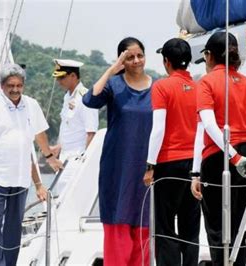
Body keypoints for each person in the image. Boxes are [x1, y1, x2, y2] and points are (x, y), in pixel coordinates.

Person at [0, 63, 62, 266]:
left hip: (20, 180)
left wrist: (45, 165)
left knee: (13, 228)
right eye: (11, 85)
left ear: (24, 85)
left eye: (19, 85)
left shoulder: (31, 105)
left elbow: (38, 136)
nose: (15, 89)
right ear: (2, 86)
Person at [190, 31, 246, 265]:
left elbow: (208, 125)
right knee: (238, 228)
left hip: (220, 157)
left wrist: (233, 159)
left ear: (209, 56)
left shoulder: (206, 82)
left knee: (217, 229)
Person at [83, 37, 153, 266]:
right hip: (118, 168)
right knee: (117, 228)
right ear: (122, 59)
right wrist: (113, 69)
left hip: (147, 169)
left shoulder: (158, 86)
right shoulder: (114, 84)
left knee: (144, 228)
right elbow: (90, 99)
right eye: (129, 57)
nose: (136, 61)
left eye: (139, 55)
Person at [143, 38, 200, 266]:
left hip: (168, 164)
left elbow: (158, 129)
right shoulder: (199, 88)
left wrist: (150, 166)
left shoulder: (161, 87)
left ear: (167, 62)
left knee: (165, 228)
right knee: (190, 227)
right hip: (194, 166)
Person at [51, 59, 99, 161]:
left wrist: (84, 160)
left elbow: (91, 133)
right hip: (64, 157)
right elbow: (67, 126)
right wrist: (58, 147)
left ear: (73, 76)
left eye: (62, 77)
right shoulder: (67, 97)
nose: (59, 81)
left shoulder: (86, 98)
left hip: (77, 157)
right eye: (57, 78)